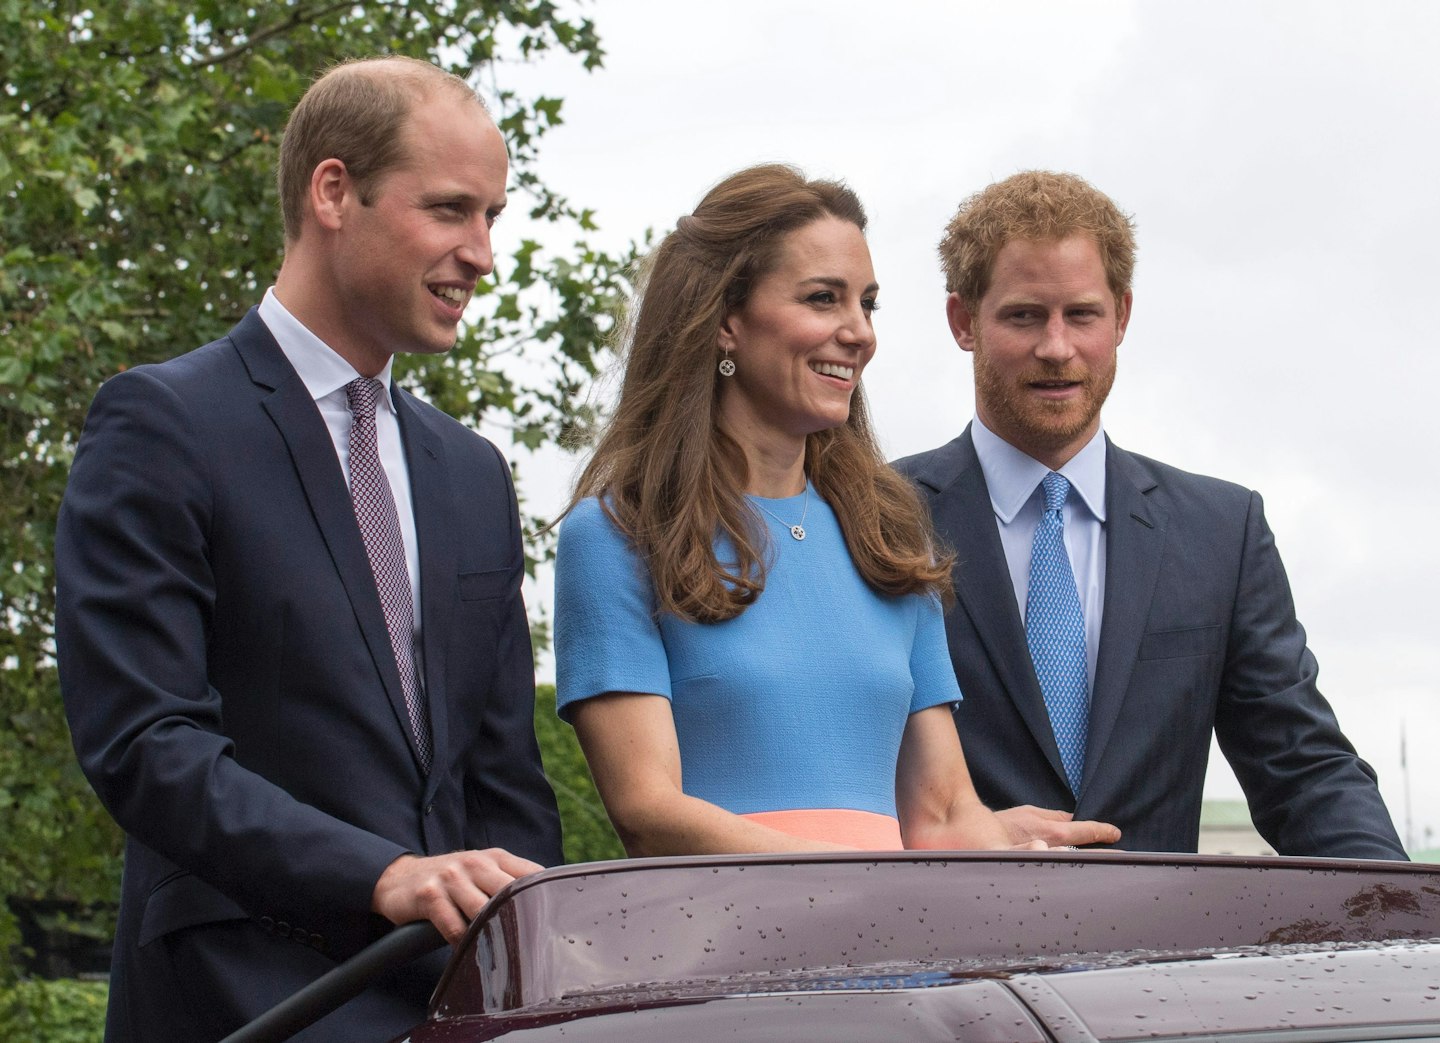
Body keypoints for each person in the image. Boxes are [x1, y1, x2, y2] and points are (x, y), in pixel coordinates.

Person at [54, 57, 563, 1042]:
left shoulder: (470, 473)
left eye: (492, 215)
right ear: (335, 191)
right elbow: (145, 743)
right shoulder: (161, 423)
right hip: (248, 995)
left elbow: (505, 782)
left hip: (462, 1011)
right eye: (452, 210)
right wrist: (380, 875)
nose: (483, 253)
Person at [552, 164, 1116, 856]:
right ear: (726, 320)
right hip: (723, 948)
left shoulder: (888, 534)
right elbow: (649, 807)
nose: (859, 333)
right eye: (824, 299)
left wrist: (1046, 887)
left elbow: (941, 816)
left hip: (894, 948)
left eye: (867, 304)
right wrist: (860, 880)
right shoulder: (617, 535)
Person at [893, 170, 1405, 858]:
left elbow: (1304, 771)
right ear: (963, 321)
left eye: (1081, 314)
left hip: (1155, 959)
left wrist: (1400, 922)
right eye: (1023, 315)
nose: (1056, 346)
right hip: (942, 947)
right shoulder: (876, 518)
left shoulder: (1222, 533)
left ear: (1122, 316)